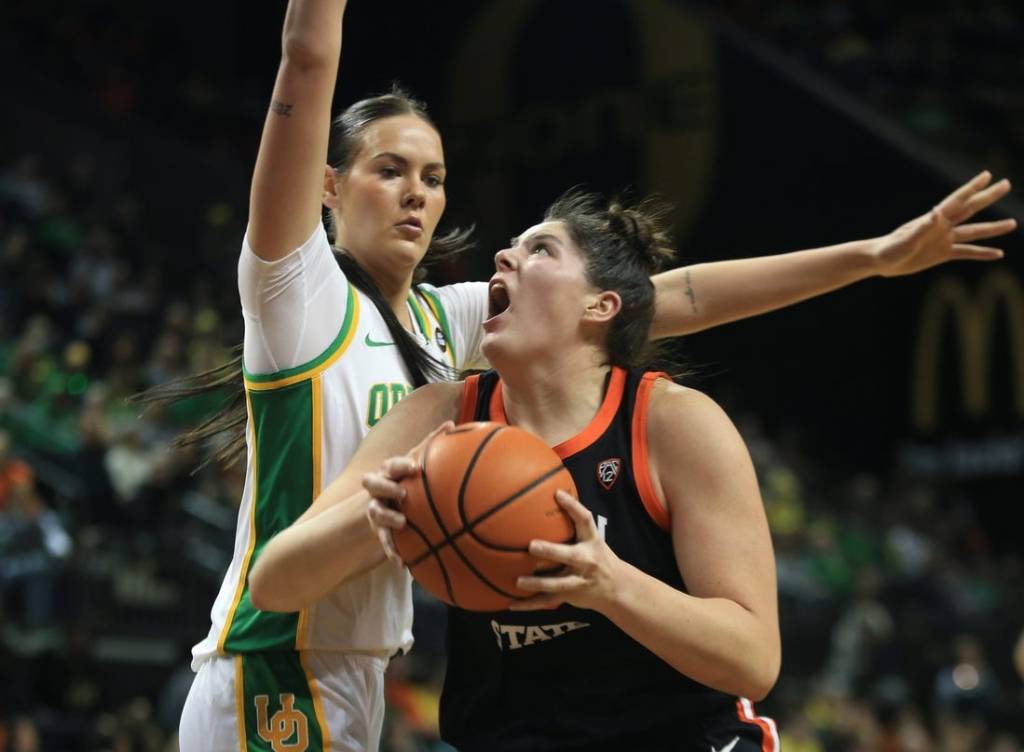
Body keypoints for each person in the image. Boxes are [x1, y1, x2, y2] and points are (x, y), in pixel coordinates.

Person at [167, 0, 1016, 748]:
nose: (417, 194)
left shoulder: (446, 326)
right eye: (388, 170)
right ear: (326, 185)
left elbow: (669, 294)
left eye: (433, 176)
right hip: (270, 660)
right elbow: (308, 57)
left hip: (362, 663)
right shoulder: (298, 293)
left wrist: (871, 257)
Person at [250, 190, 782, 749]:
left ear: (599, 306)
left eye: (541, 250)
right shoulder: (440, 416)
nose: (504, 259)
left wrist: (610, 585)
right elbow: (274, 584)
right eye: (508, 249)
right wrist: (373, 517)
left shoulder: (671, 423)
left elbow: (753, 660)